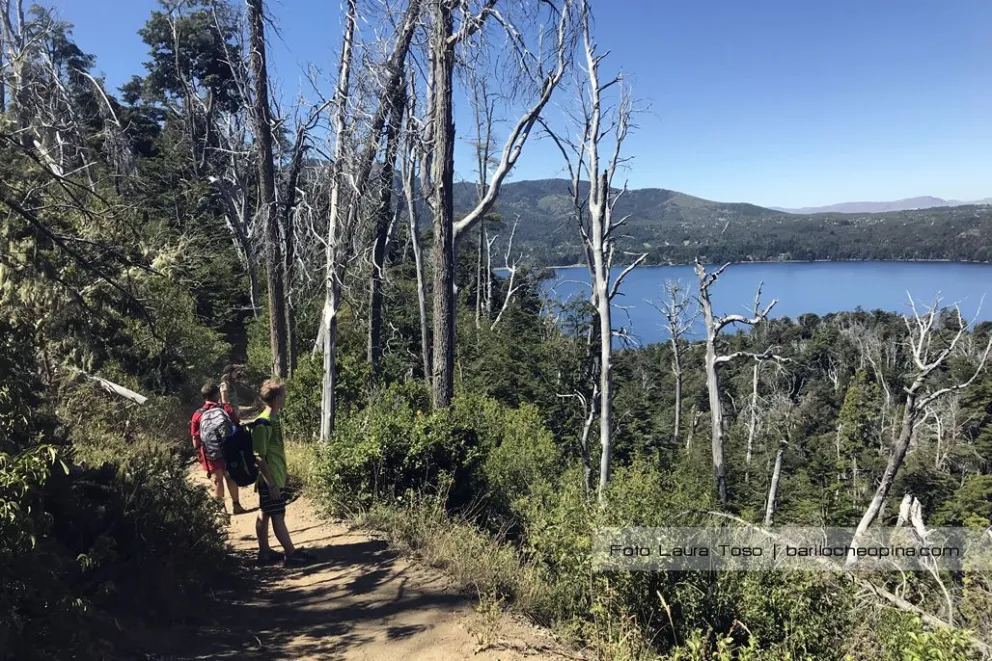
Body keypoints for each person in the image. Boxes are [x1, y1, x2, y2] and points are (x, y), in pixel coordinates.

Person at [252, 379, 313, 567]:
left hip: (275, 477)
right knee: (278, 515)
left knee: (265, 513)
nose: (285, 398)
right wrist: (271, 484)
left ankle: (265, 553)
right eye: (283, 395)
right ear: (277, 398)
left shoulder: (274, 419)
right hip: (270, 480)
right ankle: (291, 554)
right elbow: (259, 457)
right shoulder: (263, 423)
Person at [191, 381, 246, 515]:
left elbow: (195, 438)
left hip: (210, 452)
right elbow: (236, 422)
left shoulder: (197, 415)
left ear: (204, 396)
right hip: (228, 450)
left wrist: (199, 453)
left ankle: (221, 511)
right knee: (230, 476)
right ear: (216, 394)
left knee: (217, 480)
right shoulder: (224, 409)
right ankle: (236, 505)